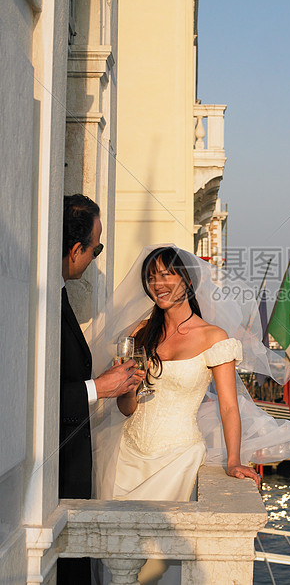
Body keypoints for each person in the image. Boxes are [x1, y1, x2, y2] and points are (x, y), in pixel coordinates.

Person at [88, 245, 290, 584]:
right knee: (118, 558)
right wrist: (130, 383)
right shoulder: (139, 333)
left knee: (153, 565)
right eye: (151, 277)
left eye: (167, 274)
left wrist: (234, 460)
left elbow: (228, 405)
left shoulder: (214, 337)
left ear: (188, 282)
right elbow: (126, 407)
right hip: (125, 456)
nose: (158, 284)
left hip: (177, 458)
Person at [59, 194, 143, 584]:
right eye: (97, 248)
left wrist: (107, 384)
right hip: (55, 483)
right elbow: (38, 401)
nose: (96, 257)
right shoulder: (38, 299)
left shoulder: (55, 293)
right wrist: (100, 388)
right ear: (76, 249)